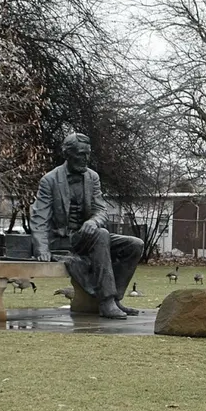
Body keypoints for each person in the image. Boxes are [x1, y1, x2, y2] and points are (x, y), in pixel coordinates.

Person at [29, 133, 143, 319]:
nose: (86, 159)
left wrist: (93, 221)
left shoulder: (92, 177)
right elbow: (39, 218)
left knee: (135, 245)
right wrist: (42, 249)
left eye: (88, 154)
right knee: (101, 234)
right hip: (63, 241)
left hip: (87, 237)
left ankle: (115, 299)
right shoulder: (50, 180)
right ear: (68, 154)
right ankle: (106, 301)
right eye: (81, 154)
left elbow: (101, 210)